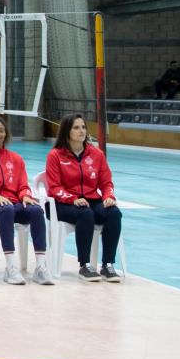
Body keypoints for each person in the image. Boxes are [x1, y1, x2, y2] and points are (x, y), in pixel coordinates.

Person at [0, 115, 53, 286]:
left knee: (36, 210)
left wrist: (25, 196)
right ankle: (11, 267)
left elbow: (23, 185)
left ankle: (41, 267)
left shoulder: (16, 159)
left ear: (6, 133)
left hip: (14, 203)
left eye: (0, 131)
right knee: (6, 210)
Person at [45, 113, 122, 282]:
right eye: (76, 127)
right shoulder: (55, 155)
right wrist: (72, 199)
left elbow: (106, 182)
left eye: (83, 127)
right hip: (62, 204)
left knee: (114, 213)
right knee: (85, 213)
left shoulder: (97, 155)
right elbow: (54, 187)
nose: (82, 131)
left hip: (91, 201)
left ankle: (108, 265)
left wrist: (109, 196)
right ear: (67, 131)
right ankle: (85, 265)